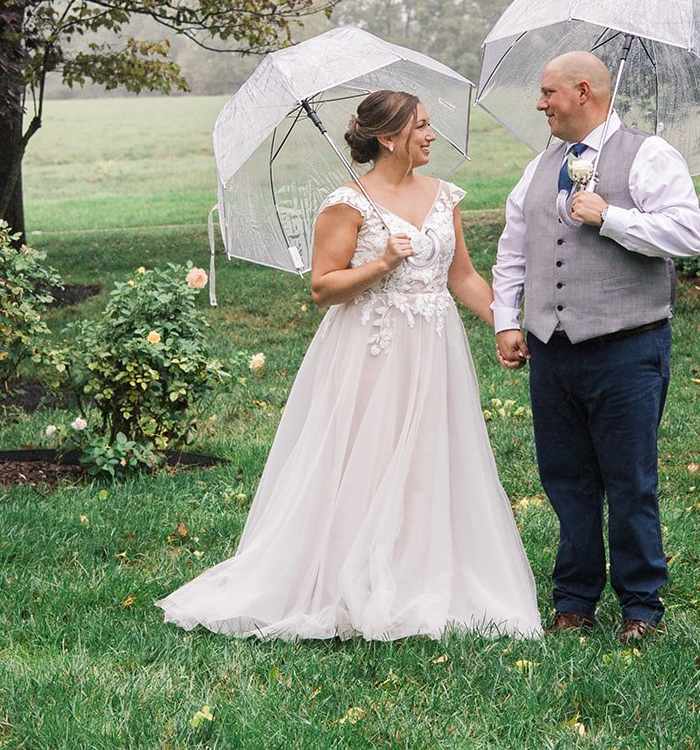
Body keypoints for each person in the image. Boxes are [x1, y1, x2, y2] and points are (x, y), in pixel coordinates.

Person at [160, 89, 542, 640]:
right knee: (368, 459)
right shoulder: (347, 203)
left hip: (433, 348)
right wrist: (383, 263)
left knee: (428, 462)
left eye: (430, 125)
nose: (433, 135)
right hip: (371, 351)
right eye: (422, 127)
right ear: (388, 139)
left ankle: (421, 571)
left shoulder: (443, 196)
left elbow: (462, 275)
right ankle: (348, 578)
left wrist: (503, 324)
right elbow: (324, 287)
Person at [491, 50, 700, 645]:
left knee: (629, 479)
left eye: (547, 93)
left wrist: (611, 216)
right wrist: (507, 319)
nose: (540, 104)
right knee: (565, 478)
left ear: (583, 91)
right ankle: (574, 599)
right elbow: (515, 248)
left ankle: (641, 605)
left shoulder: (650, 155)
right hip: (552, 349)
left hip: (626, 347)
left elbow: (689, 234)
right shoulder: (539, 167)